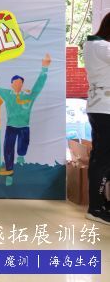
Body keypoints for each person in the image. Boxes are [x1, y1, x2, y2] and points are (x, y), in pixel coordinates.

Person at [0, 54, 51, 185]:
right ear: (11, 84)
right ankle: (9, 173)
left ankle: (21, 156)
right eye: (15, 83)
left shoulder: (29, 96)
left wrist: (44, 68)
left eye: (20, 83)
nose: (18, 84)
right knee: (8, 150)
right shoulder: (7, 94)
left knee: (22, 150)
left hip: (24, 128)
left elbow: (38, 86)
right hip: (11, 127)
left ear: (22, 84)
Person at [84, 12, 110, 225]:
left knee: (100, 157)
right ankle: (96, 207)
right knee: (103, 158)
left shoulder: (94, 45)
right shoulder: (102, 47)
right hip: (105, 109)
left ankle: (99, 203)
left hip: (99, 107)